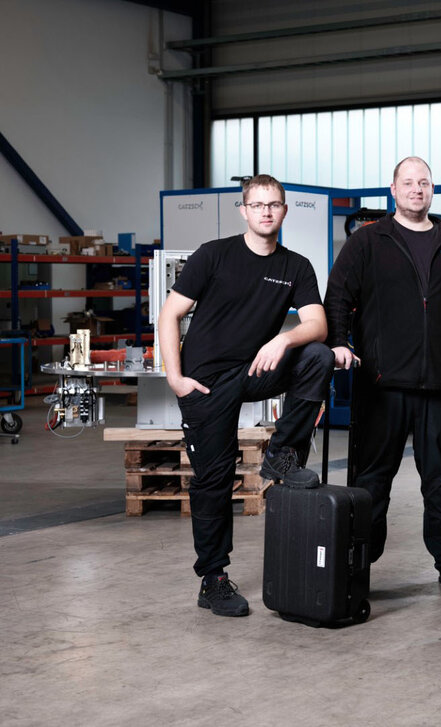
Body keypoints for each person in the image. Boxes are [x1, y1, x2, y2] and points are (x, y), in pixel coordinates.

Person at [158, 174, 334, 617]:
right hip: (207, 381)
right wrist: (175, 378)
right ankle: (213, 579)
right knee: (213, 481)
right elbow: (170, 314)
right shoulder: (213, 255)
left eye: (274, 204)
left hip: (257, 369)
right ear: (244, 210)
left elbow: (318, 325)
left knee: (316, 355)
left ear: (284, 210)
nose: (266, 212)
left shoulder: (295, 266)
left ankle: (282, 456)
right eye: (258, 205)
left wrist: (283, 340)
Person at [324, 156, 441, 594]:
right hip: (381, 388)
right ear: (392, 190)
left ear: (432, 189)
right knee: (371, 481)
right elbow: (338, 296)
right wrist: (340, 343)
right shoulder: (368, 242)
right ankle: (356, 562)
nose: (416, 189)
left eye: (424, 182)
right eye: (408, 182)